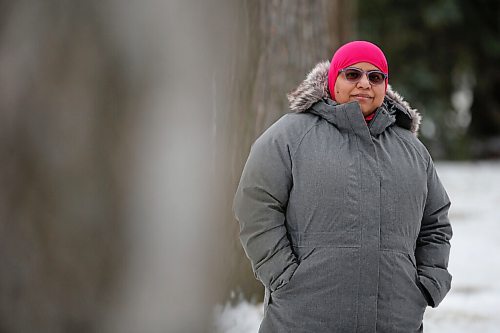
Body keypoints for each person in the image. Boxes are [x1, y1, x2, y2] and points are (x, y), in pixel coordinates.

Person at [233, 41, 452, 332]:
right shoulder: (289, 136)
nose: (364, 83)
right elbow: (255, 205)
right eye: (352, 74)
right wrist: (283, 276)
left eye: (375, 77)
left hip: (394, 321)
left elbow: (435, 224)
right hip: (302, 320)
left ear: (385, 86)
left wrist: (428, 284)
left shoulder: (411, 149)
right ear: (333, 79)